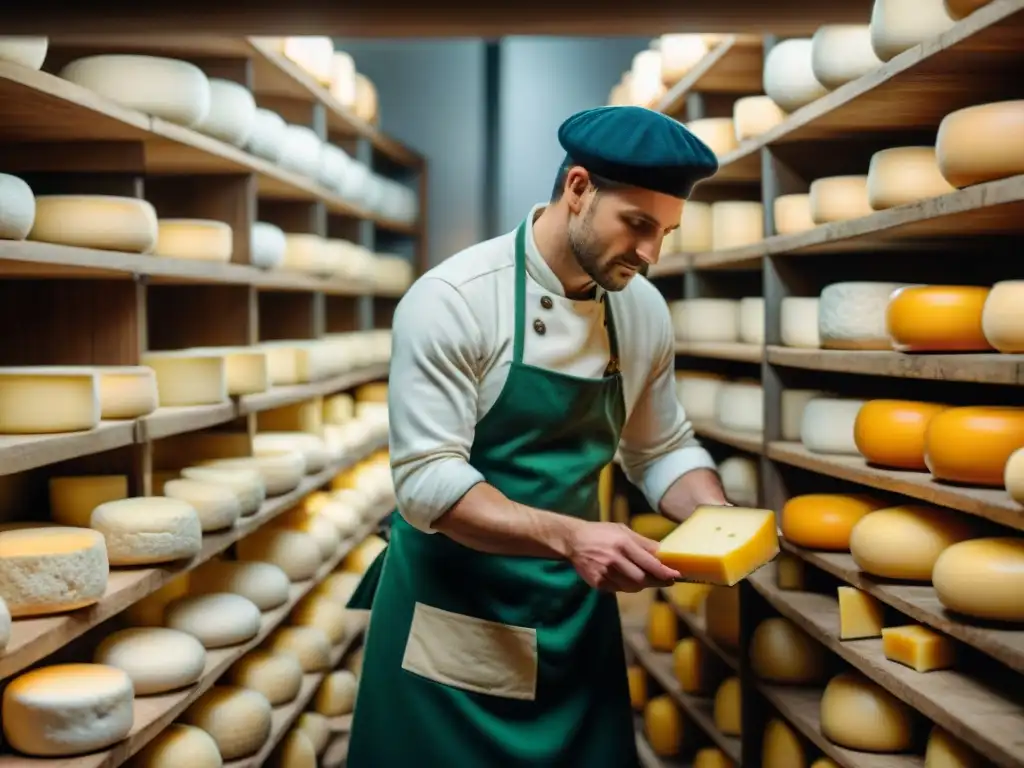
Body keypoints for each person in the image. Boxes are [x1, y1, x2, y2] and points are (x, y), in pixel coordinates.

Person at [346, 104, 733, 767]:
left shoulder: (641, 310)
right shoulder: (455, 300)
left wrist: (720, 518)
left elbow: (661, 446)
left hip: (570, 618)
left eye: (665, 231)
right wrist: (572, 537)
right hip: (454, 620)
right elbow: (427, 483)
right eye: (637, 224)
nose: (650, 254)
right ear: (578, 188)